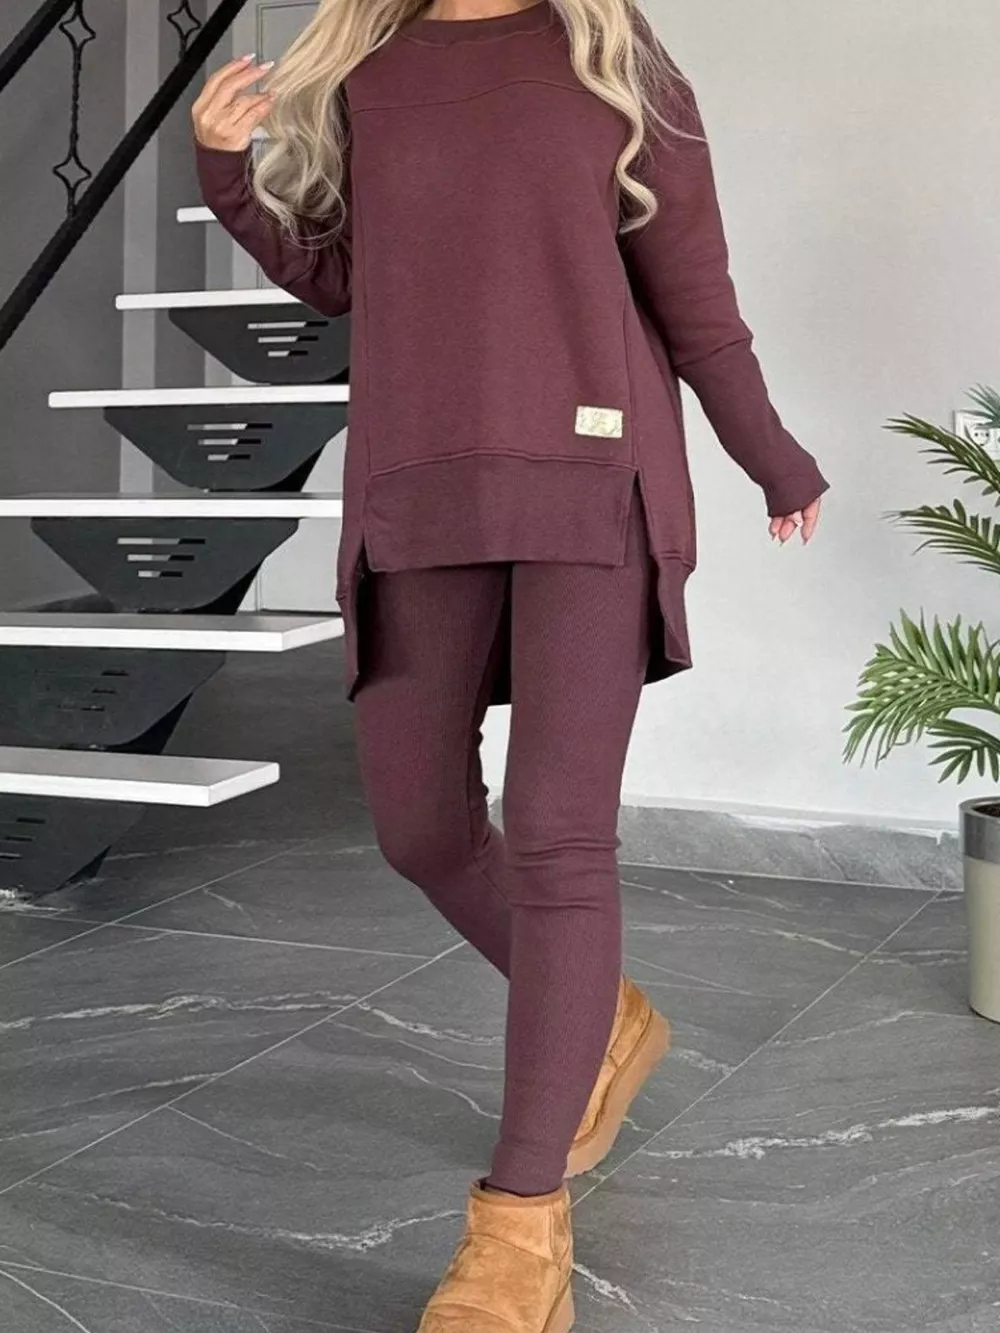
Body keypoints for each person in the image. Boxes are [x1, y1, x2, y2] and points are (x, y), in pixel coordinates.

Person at [192, 1, 828, 1328]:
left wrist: (772, 456)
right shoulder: (372, 70)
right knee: (419, 827)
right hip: (421, 488)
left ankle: (520, 1228)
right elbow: (347, 278)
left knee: (556, 835)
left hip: (594, 483)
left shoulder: (612, 56)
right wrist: (226, 177)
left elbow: (696, 298)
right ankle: (603, 1019)